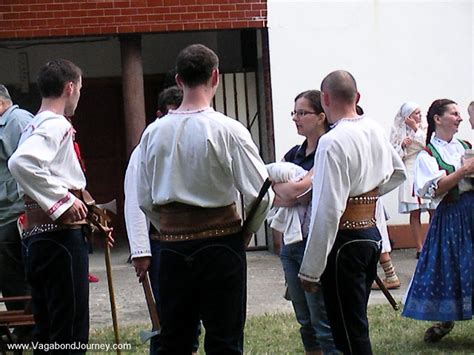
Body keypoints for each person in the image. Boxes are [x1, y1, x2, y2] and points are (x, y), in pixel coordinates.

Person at [136, 44, 273, 354]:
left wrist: (169, 225)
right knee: (224, 340)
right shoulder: (230, 130)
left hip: (171, 247)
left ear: (178, 80)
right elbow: (263, 194)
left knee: (175, 341)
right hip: (221, 244)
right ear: (216, 76)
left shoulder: (152, 134)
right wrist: (247, 231)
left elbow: (143, 198)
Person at [298, 70, 406, 354]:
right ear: (356, 97)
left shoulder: (332, 141)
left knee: (348, 331)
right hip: (371, 236)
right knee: (356, 322)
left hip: (345, 243)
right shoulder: (373, 128)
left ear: (324, 99)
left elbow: (328, 210)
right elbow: (397, 172)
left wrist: (310, 270)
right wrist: (368, 197)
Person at [8, 59, 110, 352]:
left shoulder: (32, 126)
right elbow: (21, 163)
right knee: (70, 332)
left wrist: (89, 210)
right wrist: (63, 200)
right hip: (60, 238)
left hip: (38, 236)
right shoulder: (56, 124)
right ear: (69, 87)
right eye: (79, 89)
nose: (78, 95)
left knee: (47, 329)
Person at [125, 85, 201, 354]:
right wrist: (141, 250)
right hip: (162, 240)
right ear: (159, 114)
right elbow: (135, 200)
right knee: (167, 319)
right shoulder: (145, 147)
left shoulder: (196, 139)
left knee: (193, 317)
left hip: (198, 238)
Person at [269, 90, 337, 355]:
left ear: (321, 116)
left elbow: (299, 193)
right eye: (294, 113)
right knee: (304, 319)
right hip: (291, 243)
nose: (296, 118)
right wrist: (294, 191)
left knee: (321, 317)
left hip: (314, 241)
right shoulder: (293, 154)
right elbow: (276, 196)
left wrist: (293, 191)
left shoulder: (329, 149)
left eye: (302, 113)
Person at [402, 99, 474, 343]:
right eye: (454, 114)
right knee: (453, 267)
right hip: (452, 216)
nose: (460, 118)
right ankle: (446, 320)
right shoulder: (428, 154)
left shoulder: (465, 146)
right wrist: (462, 172)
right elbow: (433, 190)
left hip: (472, 212)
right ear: (438, 119)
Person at [0, 85, 33, 341]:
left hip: (15, 213)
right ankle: (22, 328)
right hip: (5, 213)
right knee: (9, 277)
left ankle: (28, 327)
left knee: (18, 277)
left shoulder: (18, 120)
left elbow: (30, 166)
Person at [390, 102, 432, 258]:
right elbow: (393, 154)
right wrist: (402, 145)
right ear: (407, 116)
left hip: (424, 167)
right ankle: (420, 247)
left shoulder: (425, 129)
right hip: (409, 168)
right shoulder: (397, 131)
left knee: (431, 207)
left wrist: (416, 129)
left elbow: (427, 145)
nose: (419, 116)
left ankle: (432, 243)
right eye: (416, 113)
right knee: (415, 211)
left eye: (420, 113)